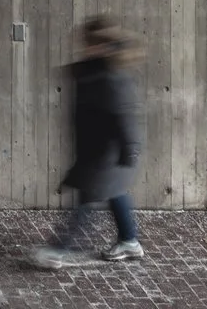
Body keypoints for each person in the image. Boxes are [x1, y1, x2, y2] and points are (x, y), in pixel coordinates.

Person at [28, 16, 146, 268]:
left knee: (86, 200)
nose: (83, 47)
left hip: (106, 152)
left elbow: (123, 118)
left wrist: (129, 150)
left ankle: (58, 250)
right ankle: (129, 240)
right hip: (95, 148)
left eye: (88, 43)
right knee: (115, 191)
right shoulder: (92, 72)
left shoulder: (112, 79)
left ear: (100, 45)